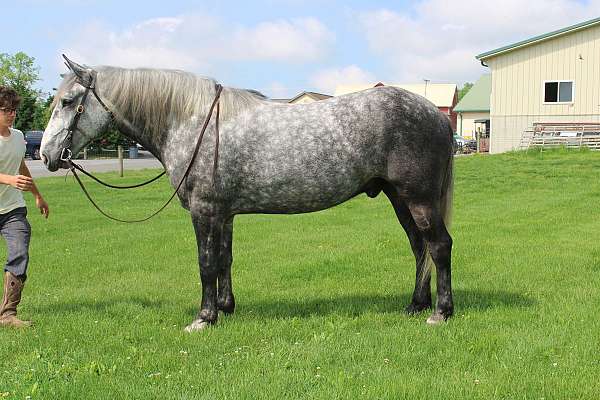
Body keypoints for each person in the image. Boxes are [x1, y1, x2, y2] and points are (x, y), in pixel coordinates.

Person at [0, 86, 49, 328]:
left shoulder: (18, 136)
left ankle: (7, 315)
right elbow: (11, 175)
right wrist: (7, 179)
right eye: (5, 110)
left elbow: (21, 167)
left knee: (19, 252)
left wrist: (37, 195)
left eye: (14, 110)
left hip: (12, 209)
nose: (11, 114)